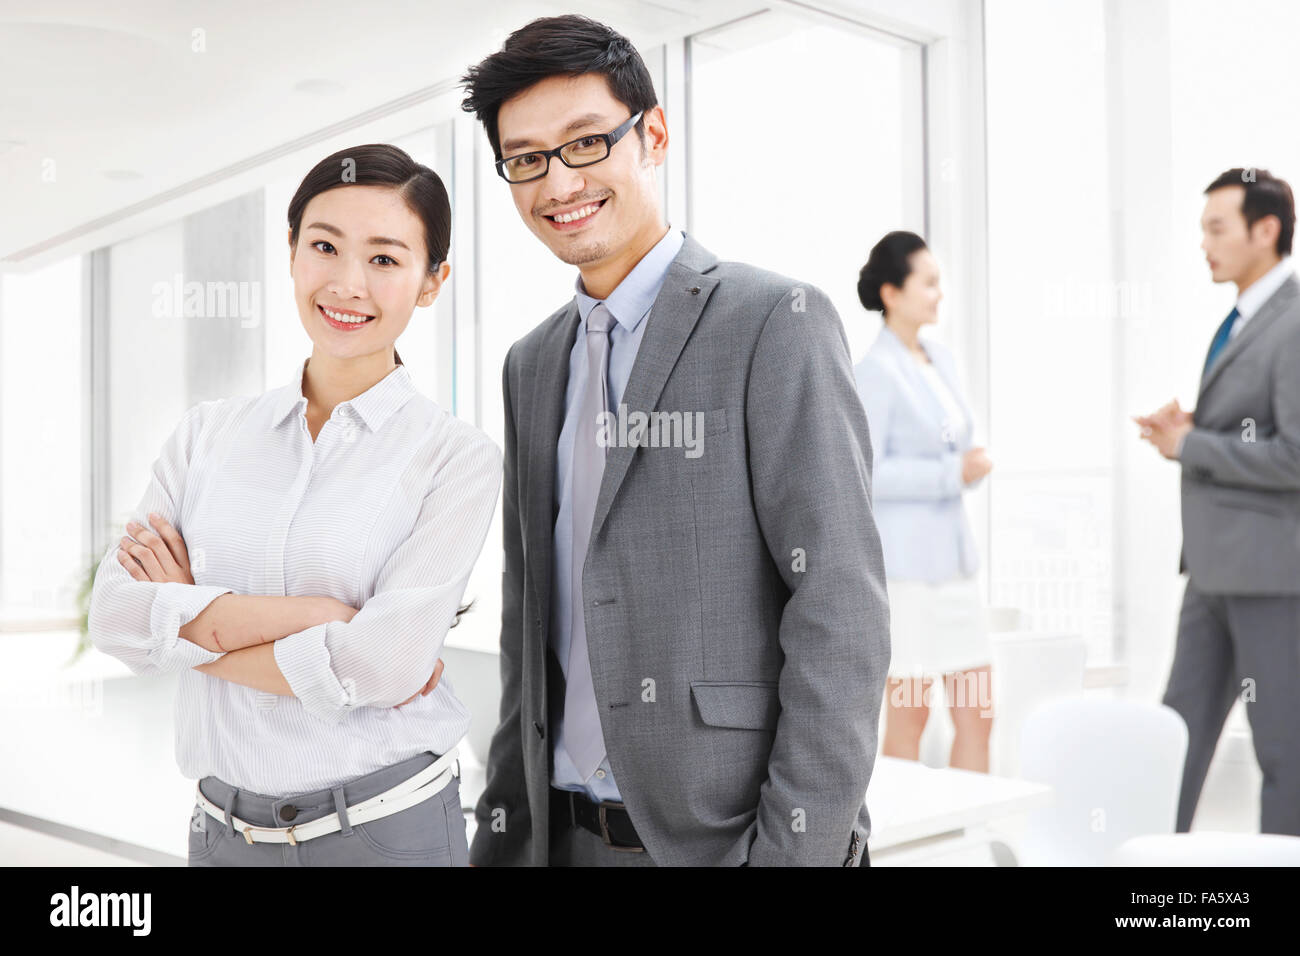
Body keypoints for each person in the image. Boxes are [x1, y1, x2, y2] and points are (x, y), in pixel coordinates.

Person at [459, 14, 889, 866]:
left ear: (651, 134)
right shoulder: (530, 363)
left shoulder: (775, 322)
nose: (558, 182)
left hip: (724, 841)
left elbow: (841, 609)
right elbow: (526, 625)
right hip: (560, 837)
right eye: (527, 159)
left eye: (585, 144)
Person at [87, 143, 502, 865]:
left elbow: (378, 669)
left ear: (431, 282)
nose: (347, 284)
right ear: (290, 251)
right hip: (222, 833)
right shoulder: (206, 436)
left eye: (384, 259)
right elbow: (116, 619)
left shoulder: (454, 457)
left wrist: (183, 619)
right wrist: (318, 619)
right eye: (324, 246)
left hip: (383, 832)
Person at [1135, 166, 1300, 836]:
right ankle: (1147, 877)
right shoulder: (1241, 319)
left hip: (1269, 575)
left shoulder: (1291, 324)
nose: (1204, 243)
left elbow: (1294, 454)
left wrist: (1189, 448)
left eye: (1216, 228)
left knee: (1283, 751)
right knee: (1175, 734)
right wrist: (1195, 426)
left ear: (1266, 230)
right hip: (1211, 571)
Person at [853, 231, 995, 772]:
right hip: (907, 575)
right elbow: (866, 472)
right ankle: (904, 847)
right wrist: (949, 474)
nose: (939, 293)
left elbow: (956, 452)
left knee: (979, 714)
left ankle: (973, 846)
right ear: (892, 291)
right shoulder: (875, 371)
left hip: (956, 569)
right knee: (910, 718)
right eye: (928, 283)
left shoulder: (941, 360)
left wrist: (966, 469)